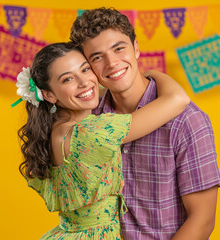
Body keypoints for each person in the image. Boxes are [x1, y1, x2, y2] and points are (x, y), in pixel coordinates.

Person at [70, 7, 220, 240]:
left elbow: (202, 222)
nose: (111, 63)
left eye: (119, 48)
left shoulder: (186, 121)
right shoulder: (89, 121)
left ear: (137, 48)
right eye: (97, 57)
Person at [16, 42, 190, 239]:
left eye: (85, 69)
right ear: (48, 95)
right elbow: (178, 99)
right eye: (68, 79)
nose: (84, 82)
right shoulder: (92, 132)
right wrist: (151, 75)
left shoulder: (51, 131)